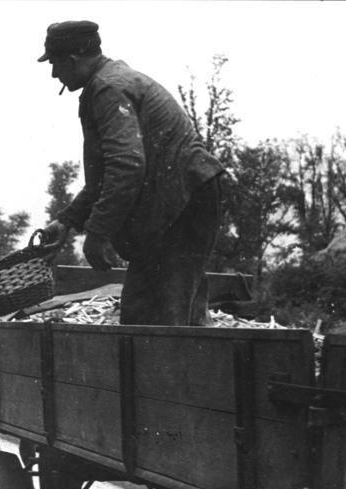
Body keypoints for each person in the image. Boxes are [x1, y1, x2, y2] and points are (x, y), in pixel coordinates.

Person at [38, 20, 225, 326]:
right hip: (181, 199)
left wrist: (98, 233)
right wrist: (69, 220)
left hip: (183, 201)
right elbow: (106, 176)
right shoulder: (109, 81)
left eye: (55, 64)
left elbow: (126, 166)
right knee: (154, 308)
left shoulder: (108, 88)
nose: (54, 74)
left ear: (71, 60)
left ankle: (176, 369)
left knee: (162, 314)